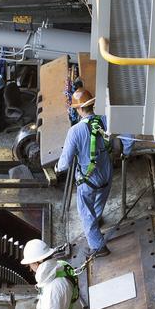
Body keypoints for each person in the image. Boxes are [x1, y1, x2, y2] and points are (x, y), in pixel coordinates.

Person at [56, 87, 113, 257]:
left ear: (79, 109)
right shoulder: (105, 120)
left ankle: (98, 247)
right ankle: (97, 220)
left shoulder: (75, 132)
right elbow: (122, 137)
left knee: (85, 212)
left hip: (88, 180)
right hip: (107, 175)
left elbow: (65, 163)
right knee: (99, 201)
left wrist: (58, 168)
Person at [20, 240, 82, 309]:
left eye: (30, 264)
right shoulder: (61, 265)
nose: (30, 269)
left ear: (38, 262)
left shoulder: (52, 290)